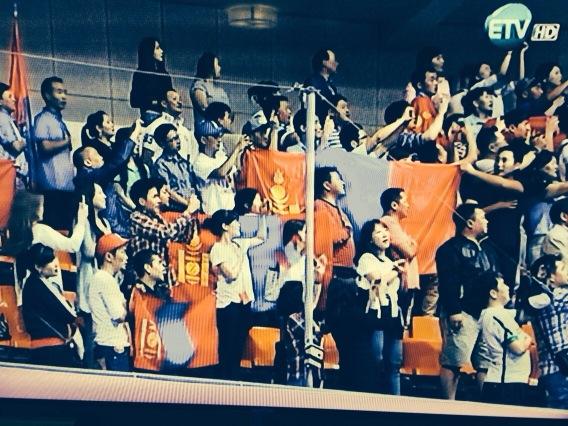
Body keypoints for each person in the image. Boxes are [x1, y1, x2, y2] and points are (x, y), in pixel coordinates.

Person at [435, 203, 499, 400]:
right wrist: (454, 310)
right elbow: (448, 281)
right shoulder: (449, 249)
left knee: (485, 363)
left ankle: (485, 405)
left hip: (485, 313)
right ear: (470, 223)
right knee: (453, 360)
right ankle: (449, 406)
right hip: (462, 312)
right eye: (482, 218)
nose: (487, 221)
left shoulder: (487, 249)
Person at [207, 209, 267, 380]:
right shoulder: (217, 249)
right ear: (225, 226)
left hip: (244, 301)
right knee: (228, 344)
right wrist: (241, 255)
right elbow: (231, 275)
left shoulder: (240, 243)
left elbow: (261, 237)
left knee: (239, 343)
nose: (239, 225)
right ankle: (224, 379)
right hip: (228, 304)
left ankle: (234, 377)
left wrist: (262, 216)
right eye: (235, 222)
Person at [4, 191, 88, 306]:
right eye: (41, 205)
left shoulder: (14, 232)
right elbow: (73, 245)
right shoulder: (40, 231)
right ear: (33, 209)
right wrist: (81, 221)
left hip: (26, 288)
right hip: (46, 285)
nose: (43, 208)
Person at [355, 219, 405, 395]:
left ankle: (396, 404)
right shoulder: (366, 259)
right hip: (376, 315)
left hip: (393, 314)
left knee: (395, 364)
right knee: (376, 360)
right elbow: (377, 280)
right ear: (370, 239)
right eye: (378, 232)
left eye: (385, 230)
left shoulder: (391, 261)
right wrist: (395, 271)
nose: (384, 235)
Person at [475, 272, 532, 405]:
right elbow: (518, 347)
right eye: (503, 284)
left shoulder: (501, 315)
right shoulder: (495, 316)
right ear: (493, 293)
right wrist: (527, 339)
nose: (507, 287)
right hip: (506, 384)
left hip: (510, 381)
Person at [21, 243, 83, 368]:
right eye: (50, 261)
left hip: (42, 348)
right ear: (38, 267)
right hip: (52, 349)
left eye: (54, 259)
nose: (55, 264)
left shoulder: (31, 284)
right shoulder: (41, 284)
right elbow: (68, 314)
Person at [74, 182, 112, 368]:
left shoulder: (106, 222)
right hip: (89, 277)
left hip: (107, 278)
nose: (104, 196)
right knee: (91, 331)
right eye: (99, 193)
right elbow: (88, 251)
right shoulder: (83, 222)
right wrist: (107, 245)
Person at [33, 76, 74, 229]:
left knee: (66, 230)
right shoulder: (43, 119)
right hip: (52, 188)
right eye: (59, 92)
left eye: (65, 92)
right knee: (54, 230)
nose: (64, 97)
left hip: (66, 187)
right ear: (47, 95)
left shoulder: (59, 121)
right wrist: (66, 142)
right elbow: (44, 147)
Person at [527, 254, 568, 409]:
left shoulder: (535, 301)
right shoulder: (560, 296)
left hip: (547, 369)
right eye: (562, 269)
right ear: (551, 278)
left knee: (555, 412)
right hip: (563, 369)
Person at [314, 167, 355, 312]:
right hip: (335, 273)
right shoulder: (320, 206)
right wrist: (347, 231)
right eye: (338, 179)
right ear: (327, 185)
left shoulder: (337, 208)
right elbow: (331, 236)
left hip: (345, 271)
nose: (343, 183)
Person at [89, 233, 131, 371]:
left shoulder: (106, 279)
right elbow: (119, 315)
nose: (126, 257)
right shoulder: (104, 279)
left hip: (110, 345)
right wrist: (128, 308)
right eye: (122, 252)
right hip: (111, 346)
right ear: (108, 256)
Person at [193, 120, 251, 215]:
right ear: (203, 140)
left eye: (219, 135)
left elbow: (236, 176)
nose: (219, 139)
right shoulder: (199, 162)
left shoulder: (221, 157)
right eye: (215, 136)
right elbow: (221, 173)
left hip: (230, 210)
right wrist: (237, 148)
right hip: (212, 213)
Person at [379, 188, 419, 323]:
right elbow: (409, 251)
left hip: (403, 283)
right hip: (400, 283)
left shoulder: (393, 224)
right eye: (405, 201)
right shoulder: (388, 222)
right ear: (394, 205)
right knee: (400, 321)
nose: (408, 205)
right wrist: (414, 244)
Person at [139, 88, 198, 165]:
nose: (179, 102)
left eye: (180, 99)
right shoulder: (154, 126)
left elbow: (190, 158)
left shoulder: (185, 131)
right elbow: (146, 158)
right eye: (174, 99)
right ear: (164, 103)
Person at [152, 123, 196, 209]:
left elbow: (193, 186)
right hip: (174, 210)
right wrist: (188, 204)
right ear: (163, 144)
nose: (178, 141)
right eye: (173, 139)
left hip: (191, 207)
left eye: (177, 137)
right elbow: (167, 191)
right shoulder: (160, 165)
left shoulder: (185, 163)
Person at [129, 37, 173, 123]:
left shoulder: (164, 74)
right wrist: (155, 101)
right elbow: (134, 100)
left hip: (165, 115)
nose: (161, 51)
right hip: (150, 115)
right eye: (157, 48)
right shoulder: (141, 74)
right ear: (149, 51)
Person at [0, 82, 28, 189]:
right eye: (9, 96)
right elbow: (16, 146)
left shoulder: (7, 119)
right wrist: (29, 138)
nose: (14, 99)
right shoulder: (3, 119)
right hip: (10, 175)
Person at [190, 52, 230, 127]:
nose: (219, 68)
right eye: (217, 65)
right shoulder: (199, 86)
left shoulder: (220, 90)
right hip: (207, 127)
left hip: (223, 127)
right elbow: (204, 108)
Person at [304, 49, 339, 124]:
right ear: (324, 62)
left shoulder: (332, 87)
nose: (337, 63)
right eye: (334, 60)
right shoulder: (312, 81)